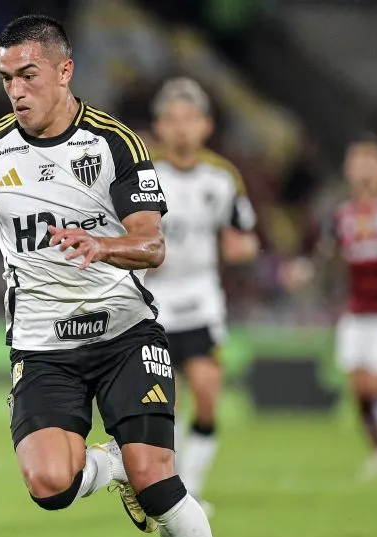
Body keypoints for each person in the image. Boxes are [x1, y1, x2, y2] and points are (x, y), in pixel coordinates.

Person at [0, 15, 247, 537]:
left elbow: (152, 244)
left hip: (126, 334)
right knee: (48, 486)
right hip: (44, 347)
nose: (16, 90)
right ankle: (110, 466)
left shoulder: (115, 144)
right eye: (6, 79)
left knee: (158, 478)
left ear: (64, 72)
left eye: (29, 75)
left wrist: (102, 245)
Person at [146, 78, 259, 513]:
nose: (181, 129)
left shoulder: (222, 176)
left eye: (189, 119)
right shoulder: (144, 172)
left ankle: (190, 485)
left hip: (201, 294)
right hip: (154, 297)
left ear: (206, 125)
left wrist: (240, 247)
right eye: (172, 119)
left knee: (208, 391)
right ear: (159, 125)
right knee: (164, 399)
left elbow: (244, 235)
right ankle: (168, 486)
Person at [322, 138, 377, 478]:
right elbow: (327, 256)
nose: (363, 170)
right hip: (357, 311)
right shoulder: (343, 214)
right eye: (357, 163)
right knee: (359, 387)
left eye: (369, 162)